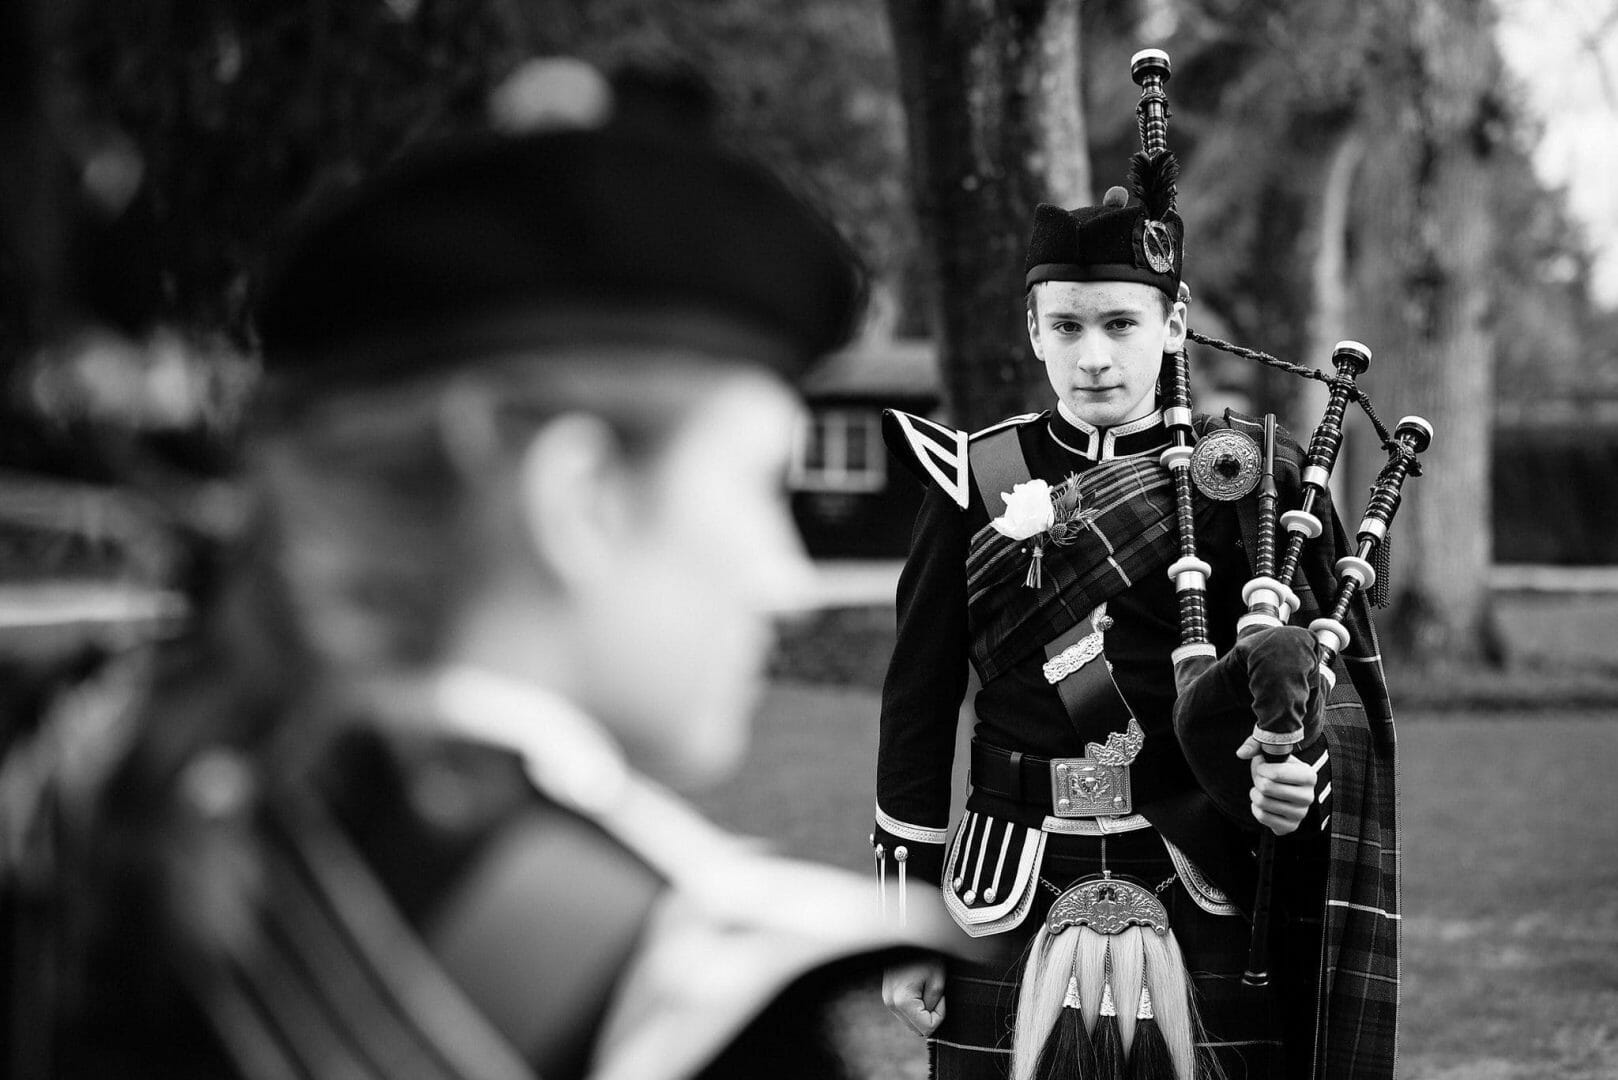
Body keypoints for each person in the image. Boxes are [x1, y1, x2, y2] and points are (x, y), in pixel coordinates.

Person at [16, 61, 955, 1080]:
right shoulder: (686, 1002)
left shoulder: (91, 811)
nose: (785, 579)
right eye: (755, 484)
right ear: (579, 497)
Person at [871, 158, 1400, 1075]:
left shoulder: (1252, 486)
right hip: (1009, 878)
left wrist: (1299, 775)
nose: (1095, 356)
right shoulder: (972, 480)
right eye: (1067, 326)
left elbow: (1309, 692)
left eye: (1121, 323)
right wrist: (903, 919)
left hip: (1200, 865)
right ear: (1033, 330)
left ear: (1175, 323)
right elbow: (915, 711)